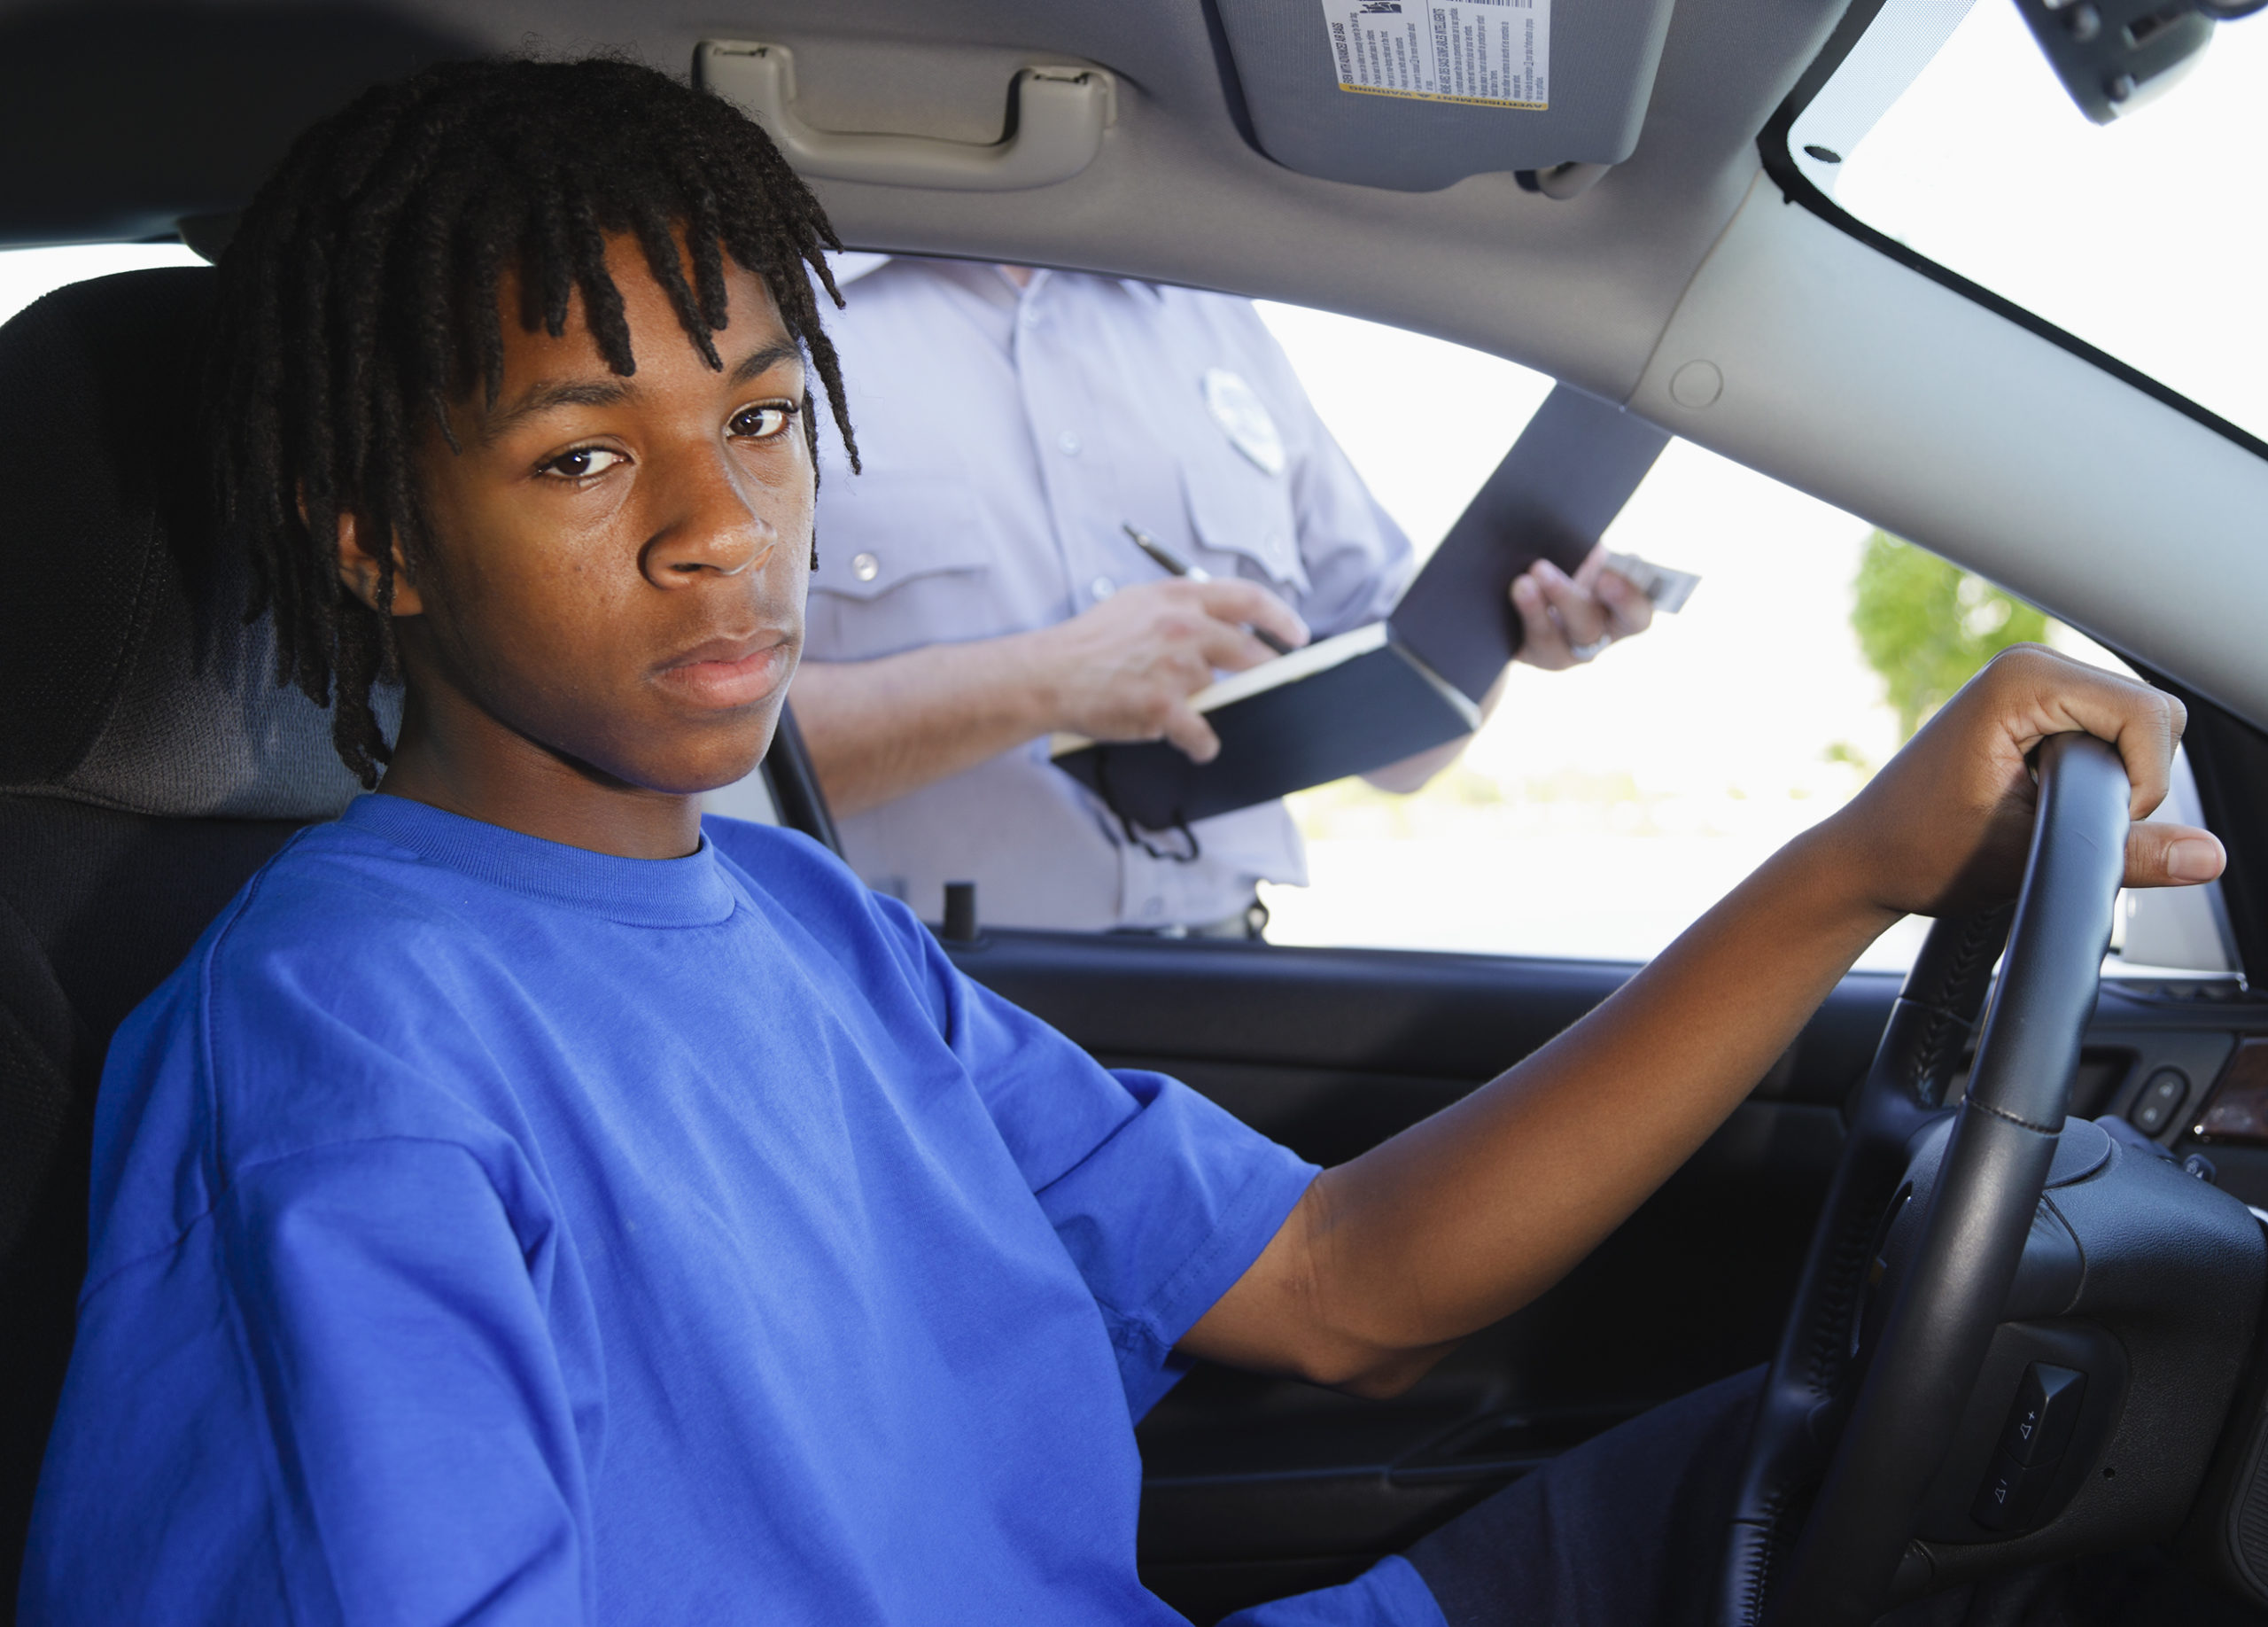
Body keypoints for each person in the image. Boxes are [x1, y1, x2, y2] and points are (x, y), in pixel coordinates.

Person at [19, 57, 2226, 1627]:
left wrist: (1846, 864)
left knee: (1946, 1424)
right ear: (373, 545)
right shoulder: (331, 1046)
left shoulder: (794, 918)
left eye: (763, 418)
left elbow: (1345, 1292)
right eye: (582, 460)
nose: (720, 527)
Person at [776, 254, 1657, 935]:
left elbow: (1401, 749)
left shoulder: (1220, 322)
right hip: (903, 1009)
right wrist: (1044, 681)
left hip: (1219, 988)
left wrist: (1501, 624)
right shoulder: (768, 324)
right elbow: (675, 753)